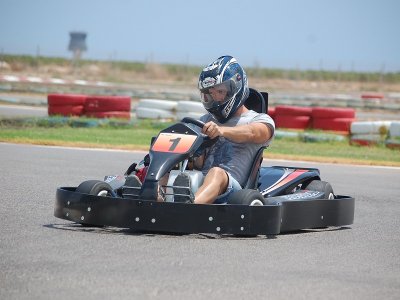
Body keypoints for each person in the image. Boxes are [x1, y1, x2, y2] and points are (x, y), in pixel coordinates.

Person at [173, 55, 275, 204]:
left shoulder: (259, 120)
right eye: (211, 94)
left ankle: (188, 209)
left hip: (233, 191)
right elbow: (196, 163)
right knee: (171, 167)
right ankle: (153, 199)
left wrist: (221, 131)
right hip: (202, 182)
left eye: (220, 92)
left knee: (216, 173)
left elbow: (254, 133)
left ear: (235, 88)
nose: (215, 99)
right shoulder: (204, 121)